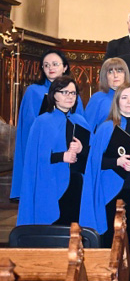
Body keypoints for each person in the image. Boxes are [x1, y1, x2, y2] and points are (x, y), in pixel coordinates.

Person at [79, 83, 130, 281]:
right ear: (117, 102)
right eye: (125, 98)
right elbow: (95, 162)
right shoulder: (106, 127)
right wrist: (116, 162)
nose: (129, 102)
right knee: (112, 242)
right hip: (112, 193)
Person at [17, 75, 91, 226]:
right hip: (51, 183)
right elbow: (35, 158)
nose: (69, 97)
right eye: (64, 92)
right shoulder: (42, 122)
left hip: (76, 184)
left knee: (74, 231)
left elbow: (93, 155)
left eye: (73, 93)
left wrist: (83, 149)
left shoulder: (81, 121)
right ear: (53, 95)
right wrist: (62, 156)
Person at [11, 49, 83, 200]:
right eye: (46, 65)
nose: (51, 68)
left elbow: (81, 126)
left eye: (55, 64)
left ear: (64, 67)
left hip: (69, 154)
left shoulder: (72, 91)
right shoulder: (33, 91)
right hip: (45, 152)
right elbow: (28, 127)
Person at [84, 58, 130, 128]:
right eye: (110, 72)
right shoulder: (97, 99)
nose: (115, 75)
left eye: (119, 71)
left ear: (125, 74)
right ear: (105, 76)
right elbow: (87, 128)